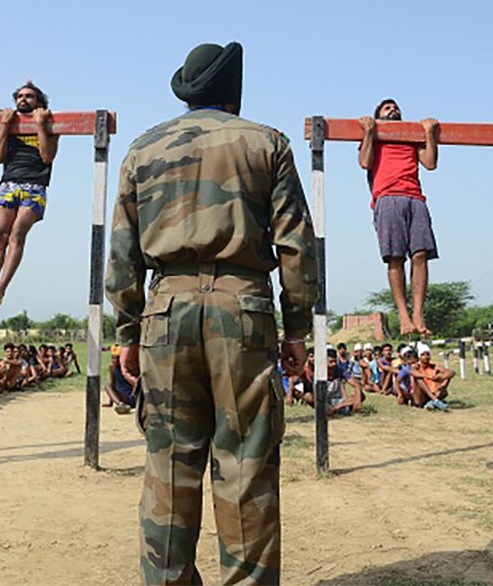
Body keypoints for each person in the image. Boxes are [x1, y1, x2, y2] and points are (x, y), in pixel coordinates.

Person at [105, 41, 317, 584]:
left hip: (164, 310)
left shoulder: (142, 148)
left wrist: (126, 333)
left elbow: (122, 253)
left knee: (169, 464)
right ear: (233, 92)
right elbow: (295, 244)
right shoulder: (267, 142)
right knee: (245, 466)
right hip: (243, 309)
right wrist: (298, 331)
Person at [0, 81, 59, 312]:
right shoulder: (10, 123)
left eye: (29, 96)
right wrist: (4, 126)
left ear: (39, 101)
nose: (23, 100)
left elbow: (47, 156)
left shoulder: (50, 124)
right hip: (9, 183)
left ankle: (0, 288)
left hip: (35, 185)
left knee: (17, 233)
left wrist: (40, 125)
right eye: (20, 96)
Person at [358, 100, 439, 335]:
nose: (393, 110)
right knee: (395, 258)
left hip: (415, 197)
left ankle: (418, 314)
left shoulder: (410, 134)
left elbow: (430, 163)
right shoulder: (374, 134)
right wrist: (369, 132)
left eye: (396, 108)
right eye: (387, 108)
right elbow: (365, 162)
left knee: (421, 255)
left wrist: (428, 133)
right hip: (387, 197)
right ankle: (403, 316)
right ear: (379, 117)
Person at [410, 343, 454, 410]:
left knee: (447, 377)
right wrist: (429, 377)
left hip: (433, 393)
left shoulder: (434, 366)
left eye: (427, 354)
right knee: (418, 378)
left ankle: (432, 402)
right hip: (420, 397)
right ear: (419, 357)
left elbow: (452, 372)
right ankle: (435, 401)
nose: (425, 357)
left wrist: (442, 376)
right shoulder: (416, 366)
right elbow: (413, 372)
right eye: (423, 355)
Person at [103, 344, 137, 413]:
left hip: (132, 395)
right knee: (107, 386)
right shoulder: (112, 367)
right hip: (123, 396)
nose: (114, 360)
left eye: (117, 358)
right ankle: (121, 405)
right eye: (113, 357)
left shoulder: (128, 366)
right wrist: (111, 402)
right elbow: (112, 384)